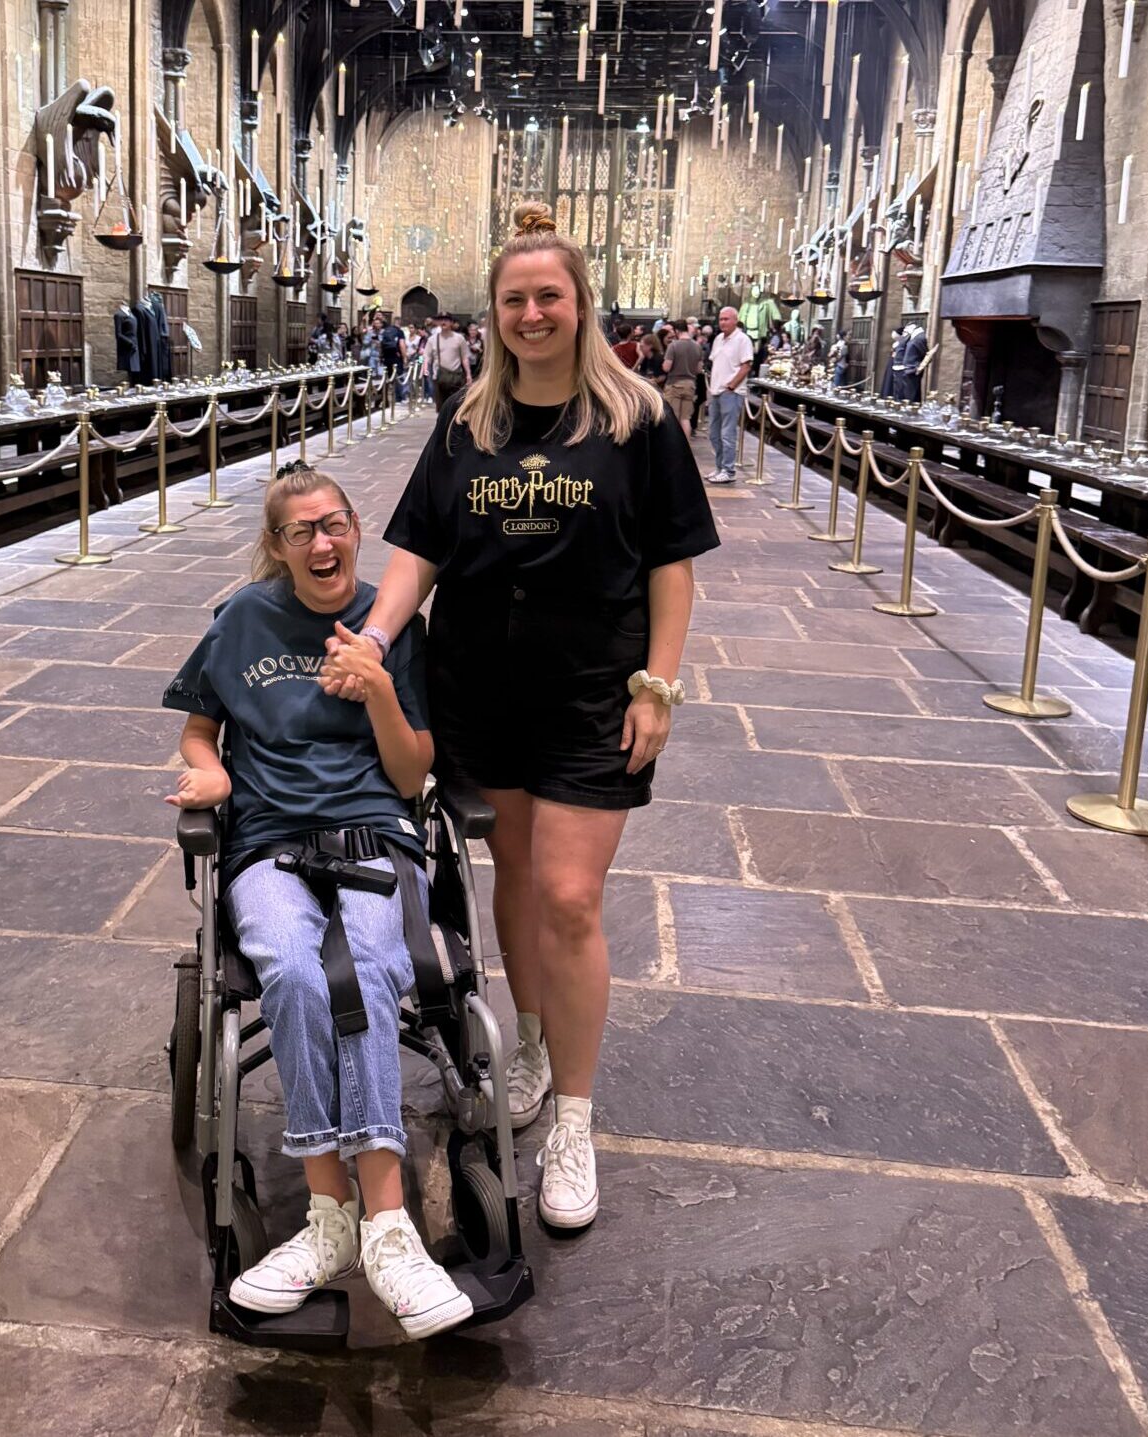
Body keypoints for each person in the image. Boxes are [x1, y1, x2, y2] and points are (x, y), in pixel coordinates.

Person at [319, 202, 719, 1232]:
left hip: (592, 689)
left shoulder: (634, 421)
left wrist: (658, 685)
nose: (531, 313)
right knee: (509, 879)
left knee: (569, 896)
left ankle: (576, 1118)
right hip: (479, 686)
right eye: (514, 299)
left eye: (548, 296)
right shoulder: (468, 422)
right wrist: (375, 635)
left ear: (579, 304)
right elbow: (417, 548)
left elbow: (671, 570)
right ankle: (529, 1049)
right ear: (493, 313)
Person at [161, 463, 475, 1342]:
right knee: (296, 971)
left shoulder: (391, 621)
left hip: (377, 833)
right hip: (266, 841)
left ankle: (386, 1225)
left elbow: (413, 772)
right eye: (303, 531)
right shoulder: (241, 622)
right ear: (277, 545)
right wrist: (214, 767)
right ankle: (329, 1214)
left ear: (357, 526)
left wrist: (375, 683)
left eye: (334, 523)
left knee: (371, 966)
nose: (324, 542)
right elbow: (198, 722)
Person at [705, 305, 753, 485]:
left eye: (726, 319)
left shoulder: (742, 340)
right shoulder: (718, 339)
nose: (723, 322)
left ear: (735, 320)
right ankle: (719, 467)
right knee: (714, 433)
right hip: (716, 390)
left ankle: (728, 470)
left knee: (727, 433)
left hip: (730, 392)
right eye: (721, 319)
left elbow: (746, 365)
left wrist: (732, 385)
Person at [422, 312, 473, 413]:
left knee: (456, 407)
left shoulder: (459, 338)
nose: (443, 322)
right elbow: (426, 357)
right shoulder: (432, 339)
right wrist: (424, 369)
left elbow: (464, 357)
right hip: (439, 377)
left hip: (456, 377)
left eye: (446, 319)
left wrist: (468, 375)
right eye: (441, 319)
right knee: (441, 408)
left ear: (451, 322)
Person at [661, 322, 704, 438]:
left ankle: (674, 448)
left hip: (674, 384)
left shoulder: (673, 346)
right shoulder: (697, 346)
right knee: (685, 419)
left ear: (676, 331)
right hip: (690, 385)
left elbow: (666, 367)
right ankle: (687, 447)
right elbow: (699, 369)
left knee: (673, 419)